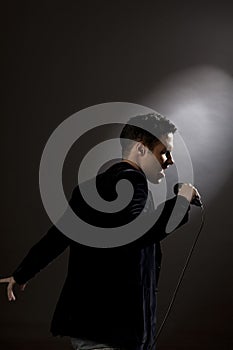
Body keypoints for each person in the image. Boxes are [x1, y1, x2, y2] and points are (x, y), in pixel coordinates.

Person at [0, 113, 200, 350]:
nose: (170, 161)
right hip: (114, 332)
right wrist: (182, 200)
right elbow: (138, 231)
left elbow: (58, 236)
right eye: (164, 151)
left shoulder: (90, 188)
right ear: (141, 149)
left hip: (89, 328)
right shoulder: (133, 181)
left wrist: (23, 273)